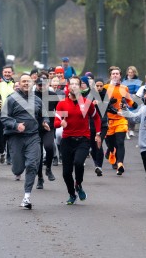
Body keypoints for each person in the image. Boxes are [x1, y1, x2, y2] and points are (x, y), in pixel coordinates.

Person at [1, 74, 50, 209]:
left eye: (28, 81)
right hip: (16, 137)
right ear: (20, 83)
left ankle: (27, 196)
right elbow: (4, 117)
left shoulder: (37, 100)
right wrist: (16, 125)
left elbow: (44, 114)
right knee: (18, 168)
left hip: (33, 136)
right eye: (23, 81)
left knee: (32, 164)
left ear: (32, 82)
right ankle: (17, 168)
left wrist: (45, 122)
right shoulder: (11, 99)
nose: (26, 83)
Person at [55, 76, 101, 204]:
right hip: (67, 140)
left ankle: (78, 184)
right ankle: (72, 194)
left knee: (79, 163)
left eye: (77, 84)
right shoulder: (62, 103)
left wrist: (98, 133)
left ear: (80, 87)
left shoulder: (87, 103)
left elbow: (96, 117)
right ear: (68, 87)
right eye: (72, 84)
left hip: (83, 139)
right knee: (66, 173)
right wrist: (60, 123)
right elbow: (56, 122)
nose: (74, 86)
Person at [103, 66, 137, 175]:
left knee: (120, 142)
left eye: (117, 73)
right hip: (108, 121)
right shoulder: (105, 88)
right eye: (113, 74)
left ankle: (120, 164)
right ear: (110, 76)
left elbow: (129, 100)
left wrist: (134, 104)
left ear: (120, 75)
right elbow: (100, 103)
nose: (115, 75)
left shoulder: (124, 88)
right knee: (111, 144)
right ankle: (111, 152)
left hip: (121, 120)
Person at [34, 73, 58, 189]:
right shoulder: (32, 96)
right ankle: (40, 178)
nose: (41, 86)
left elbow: (60, 110)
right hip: (36, 128)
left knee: (49, 147)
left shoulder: (53, 95)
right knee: (38, 154)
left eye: (43, 84)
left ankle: (48, 168)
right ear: (36, 85)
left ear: (47, 85)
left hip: (49, 126)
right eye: (39, 85)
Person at [121, 66, 142, 138]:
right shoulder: (124, 80)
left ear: (134, 73)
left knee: (133, 114)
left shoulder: (137, 81)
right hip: (125, 99)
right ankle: (126, 129)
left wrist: (132, 95)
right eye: (129, 72)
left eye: (132, 72)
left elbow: (137, 90)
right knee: (126, 115)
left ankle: (132, 129)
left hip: (133, 98)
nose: (130, 74)